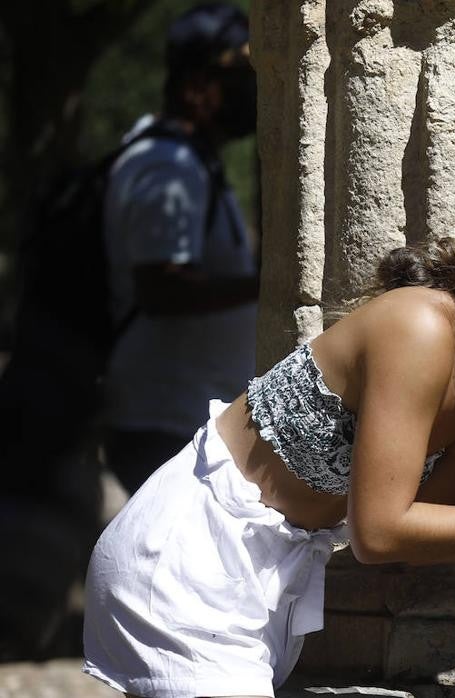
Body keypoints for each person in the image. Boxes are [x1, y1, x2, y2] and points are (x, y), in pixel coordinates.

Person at [83, 182, 455, 698]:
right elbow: (379, 535)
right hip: (190, 555)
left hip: (271, 582)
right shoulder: (418, 327)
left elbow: (426, 529)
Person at [101, 2, 261, 494]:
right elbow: (161, 287)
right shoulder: (168, 166)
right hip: (166, 419)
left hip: (182, 415)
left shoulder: (192, 163)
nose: (250, 93)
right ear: (196, 86)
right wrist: (267, 286)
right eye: (236, 80)